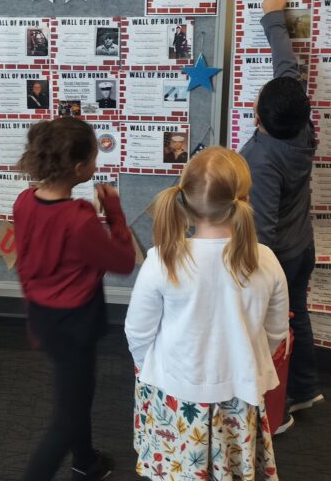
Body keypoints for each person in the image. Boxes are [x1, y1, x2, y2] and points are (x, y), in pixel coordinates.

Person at [126, 145, 286, 480]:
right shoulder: (266, 260)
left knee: (176, 469)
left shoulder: (162, 259)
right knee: (233, 469)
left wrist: (150, 368)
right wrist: (250, 360)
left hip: (175, 393)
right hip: (238, 394)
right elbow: (275, 332)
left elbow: (138, 333)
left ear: (184, 199)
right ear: (243, 198)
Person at [13, 118, 135, 481]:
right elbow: (124, 262)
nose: (97, 166)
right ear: (80, 169)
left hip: (44, 315)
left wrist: (35, 319)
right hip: (75, 322)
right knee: (67, 419)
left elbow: (29, 264)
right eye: (95, 158)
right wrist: (113, 212)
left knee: (77, 393)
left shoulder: (24, 202)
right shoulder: (77, 219)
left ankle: (86, 462)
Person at [239, 0, 319, 430]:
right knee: (298, 318)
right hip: (302, 245)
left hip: (279, 257)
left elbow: (262, 230)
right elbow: (286, 67)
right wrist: (275, 16)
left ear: (256, 116)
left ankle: (279, 409)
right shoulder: (300, 124)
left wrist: (252, 274)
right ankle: (306, 389)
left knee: (274, 332)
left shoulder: (260, 161)